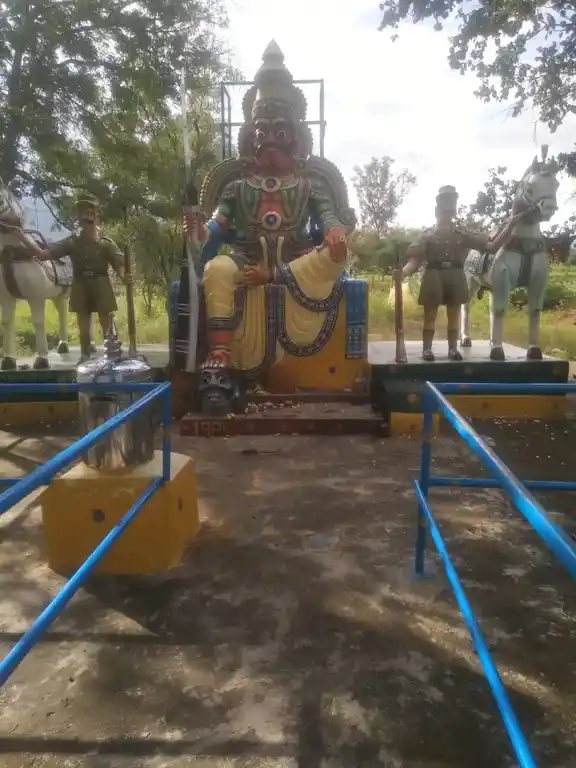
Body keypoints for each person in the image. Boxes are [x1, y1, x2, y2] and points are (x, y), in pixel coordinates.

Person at [402, 185, 529, 361]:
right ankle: (427, 349)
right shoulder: (427, 235)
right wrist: (403, 273)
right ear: (437, 209)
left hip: (455, 274)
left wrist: (510, 227)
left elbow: (491, 247)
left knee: (454, 314)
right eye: (444, 206)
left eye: (451, 205)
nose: (447, 210)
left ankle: (453, 349)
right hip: (433, 274)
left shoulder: (462, 234)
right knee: (430, 315)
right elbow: (414, 260)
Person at [16, 195, 131, 361]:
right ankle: (85, 354)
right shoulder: (72, 242)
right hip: (81, 284)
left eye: (91, 217)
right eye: (84, 218)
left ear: (97, 219)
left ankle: (113, 355)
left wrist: (123, 276)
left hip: (101, 282)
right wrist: (22, 238)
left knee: (107, 321)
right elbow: (42, 255)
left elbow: (119, 263)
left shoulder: (106, 243)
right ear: (80, 221)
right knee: (83, 323)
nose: (87, 222)